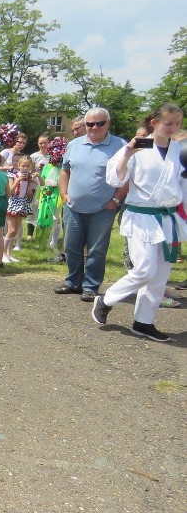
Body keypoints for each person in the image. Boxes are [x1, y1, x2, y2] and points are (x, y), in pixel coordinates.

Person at [92, 103, 185, 342]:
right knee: (144, 269)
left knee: (160, 274)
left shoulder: (179, 150)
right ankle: (106, 299)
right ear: (154, 123)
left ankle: (144, 322)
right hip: (141, 216)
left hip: (168, 218)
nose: (174, 128)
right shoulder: (137, 148)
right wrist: (128, 153)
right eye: (168, 123)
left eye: (178, 123)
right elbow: (114, 177)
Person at [56, 107, 127, 302]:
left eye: (99, 123)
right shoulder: (74, 144)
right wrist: (64, 194)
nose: (94, 127)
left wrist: (115, 200)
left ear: (108, 124)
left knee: (96, 249)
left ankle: (91, 286)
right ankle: (73, 282)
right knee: (71, 246)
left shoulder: (120, 145)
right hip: (73, 207)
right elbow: (65, 171)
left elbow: (127, 177)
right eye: (90, 123)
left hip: (103, 209)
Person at [3, 156, 38, 263]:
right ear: (18, 166)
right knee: (11, 230)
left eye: (28, 166)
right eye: (23, 166)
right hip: (12, 202)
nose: (25, 168)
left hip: (22, 202)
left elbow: (41, 185)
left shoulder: (29, 178)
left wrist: (36, 178)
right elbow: (10, 191)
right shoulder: (13, 176)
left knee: (15, 230)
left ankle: (9, 254)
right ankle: (3, 254)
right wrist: (18, 180)